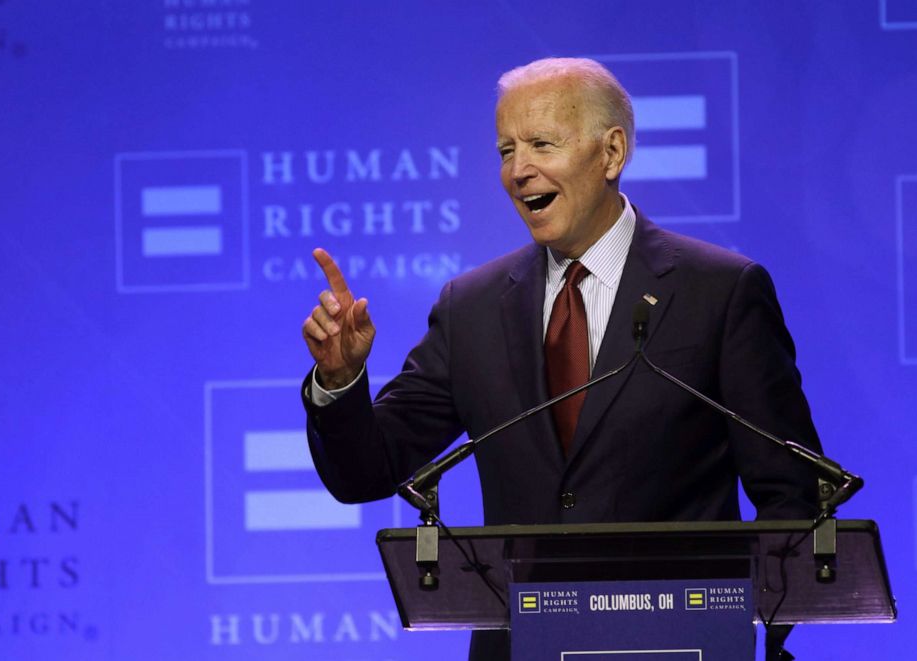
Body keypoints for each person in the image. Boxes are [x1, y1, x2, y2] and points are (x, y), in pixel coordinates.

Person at [301, 58, 821, 659]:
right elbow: (367, 471)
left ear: (611, 153)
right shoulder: (471, 309)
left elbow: (791, 492)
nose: (518, 171)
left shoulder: (719, 292)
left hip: (684, 646)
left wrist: (753, 634)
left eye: (541, 144)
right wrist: (339, 382)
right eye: (505, 150)